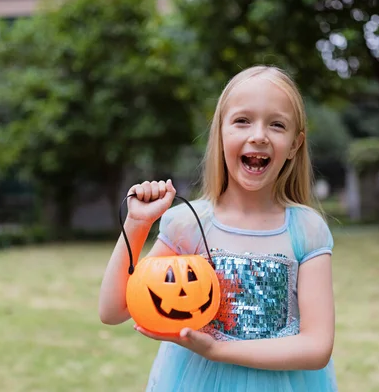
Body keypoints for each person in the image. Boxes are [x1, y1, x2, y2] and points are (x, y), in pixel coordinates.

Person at [99, 65, 338, 391]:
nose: (258, 135)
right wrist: (137, 223)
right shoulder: (188, 225)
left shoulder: (306, 230)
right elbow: (114, 311)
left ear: (295, 146)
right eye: (242, 121)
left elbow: (317, 347)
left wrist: (219, 349)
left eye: (277, 125)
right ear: (220, 132)